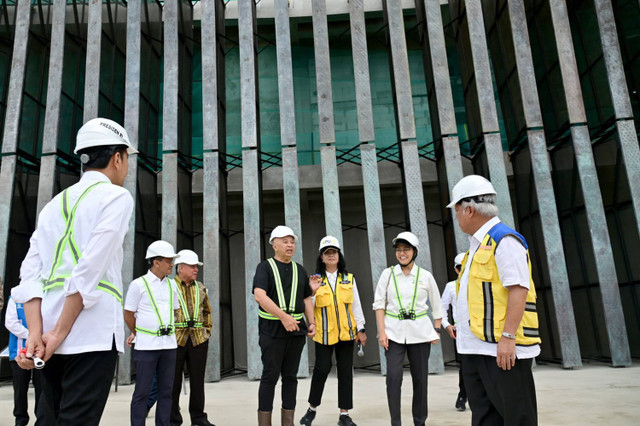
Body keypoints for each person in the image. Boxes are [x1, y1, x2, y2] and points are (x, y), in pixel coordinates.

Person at [11, 117, 135, 425]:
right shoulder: (116, 196)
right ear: (117, 158)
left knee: (48, 418)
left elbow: (30, 275)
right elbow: (90, 268)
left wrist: (38, 335)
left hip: (49, 336)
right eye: (127, 158)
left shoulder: (53, 204)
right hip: (90, 332)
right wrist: (59, 332)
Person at [446, 174, 541, 426]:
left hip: (501, 350)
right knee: (485, 418)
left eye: (456, 211)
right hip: (475, 349)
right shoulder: (476, 246)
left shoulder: (504, 240)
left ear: (468, 209)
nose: (456, 217)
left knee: (517, 417)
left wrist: (508, 338)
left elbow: (519, 290)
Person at [373, 231, 443, 426]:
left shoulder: (425, 276)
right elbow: (379, 304)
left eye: (406, 249)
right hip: (393, 333)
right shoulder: (388, 274)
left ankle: (419, 422)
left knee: (420, 381)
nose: (402, 253)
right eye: (399, 249)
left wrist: (436, 329)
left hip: (420, 333)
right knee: (393, 379)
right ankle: (396, 422)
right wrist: (382, 331)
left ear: (414, 251)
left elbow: (437, 306)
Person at [252, 225, 317, 426]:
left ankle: (287, 423)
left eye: (292, 241)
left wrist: (312, 321)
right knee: (270, 377)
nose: (290, 245)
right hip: (272, 331)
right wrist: (283, 317)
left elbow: (306, 297)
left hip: (296, 331)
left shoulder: (300, 269)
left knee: (291, 377)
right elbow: (259, 296)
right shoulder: (265, 267)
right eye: (285, 241)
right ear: (274, 245)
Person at [299, 236, 367, 426]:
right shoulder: (314, 280)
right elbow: (308, 306)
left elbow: (356, 306)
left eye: (334, 252)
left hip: (347, 333)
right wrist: (312, 292)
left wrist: (361, 329)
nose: (331, 255)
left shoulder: (349, 279)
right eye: (327, 253)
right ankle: (311, 410)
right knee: (321, 369)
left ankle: (344, 415)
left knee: (346, 372)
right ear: (321, 257)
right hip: (324, 334)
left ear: (339, 256)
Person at [124, 240, 181, 426]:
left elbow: (174, 312)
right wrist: (138, 332)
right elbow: (128, 314)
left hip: (169, 345)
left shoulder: (172, 285)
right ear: (156, 262)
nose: (172, 264)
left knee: (166, 391)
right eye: (168, 261)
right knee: (142, 391)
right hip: (146, 346)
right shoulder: (138, 285)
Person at [170, 249, 214, 426]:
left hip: (198, 340)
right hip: (175, 340)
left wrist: (206, 332)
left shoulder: (200, 287)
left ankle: (198, 419)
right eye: (192, 266)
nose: (196, 269)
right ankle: (173, 419)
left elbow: (207, 311)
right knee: (172, 382)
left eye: (197, 266)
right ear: (180, 268)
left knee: (197, 382)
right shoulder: (170, 286)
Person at [5, 295, 44, 426]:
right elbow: (10, 323)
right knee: (20, 390)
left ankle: (42, 420)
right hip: (18, 351)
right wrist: (32, 335)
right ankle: (20, 421)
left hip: (41, 352)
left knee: (42, 389)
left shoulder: (43, 296)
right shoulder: (15, 298)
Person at [440, 252, 467, 412]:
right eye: (459, 267)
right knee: (465, 367)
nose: (462, 270)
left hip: (482, 332)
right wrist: (447, 325)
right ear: (456, 269)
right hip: (462, 333)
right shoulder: (451, 286)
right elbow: (441, 308)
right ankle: (463, 395)